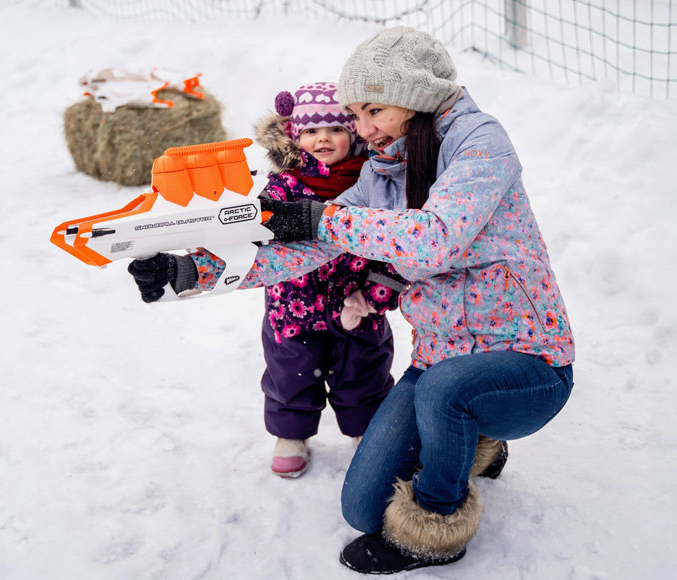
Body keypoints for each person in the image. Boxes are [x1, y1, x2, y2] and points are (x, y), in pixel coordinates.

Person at [127, 26, 575, 574]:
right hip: (443, 357)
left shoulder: (479, 144)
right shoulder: (379, 175)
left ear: (414, 99)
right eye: (354, 115)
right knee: (362, 507)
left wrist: (326, 216)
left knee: (443, 391)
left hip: (529, 361)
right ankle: (473, 441)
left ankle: (434, 532)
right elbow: (303, 250)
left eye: (372, 112)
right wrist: (190, 271)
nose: (360, 129)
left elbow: (436, 237)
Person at [252, 82, 405, 478]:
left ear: (352, 133)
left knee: (364, 372)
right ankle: (291, 434)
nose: (323, 139)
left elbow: (394, 245)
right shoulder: (282, 186)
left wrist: (373, 295)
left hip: (357, 304)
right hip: (292, 307)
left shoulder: (375, 183)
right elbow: (264, 237)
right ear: (294, 137)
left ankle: (366, 432)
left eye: (335, 129)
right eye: (311, 131)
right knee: (290, 373)